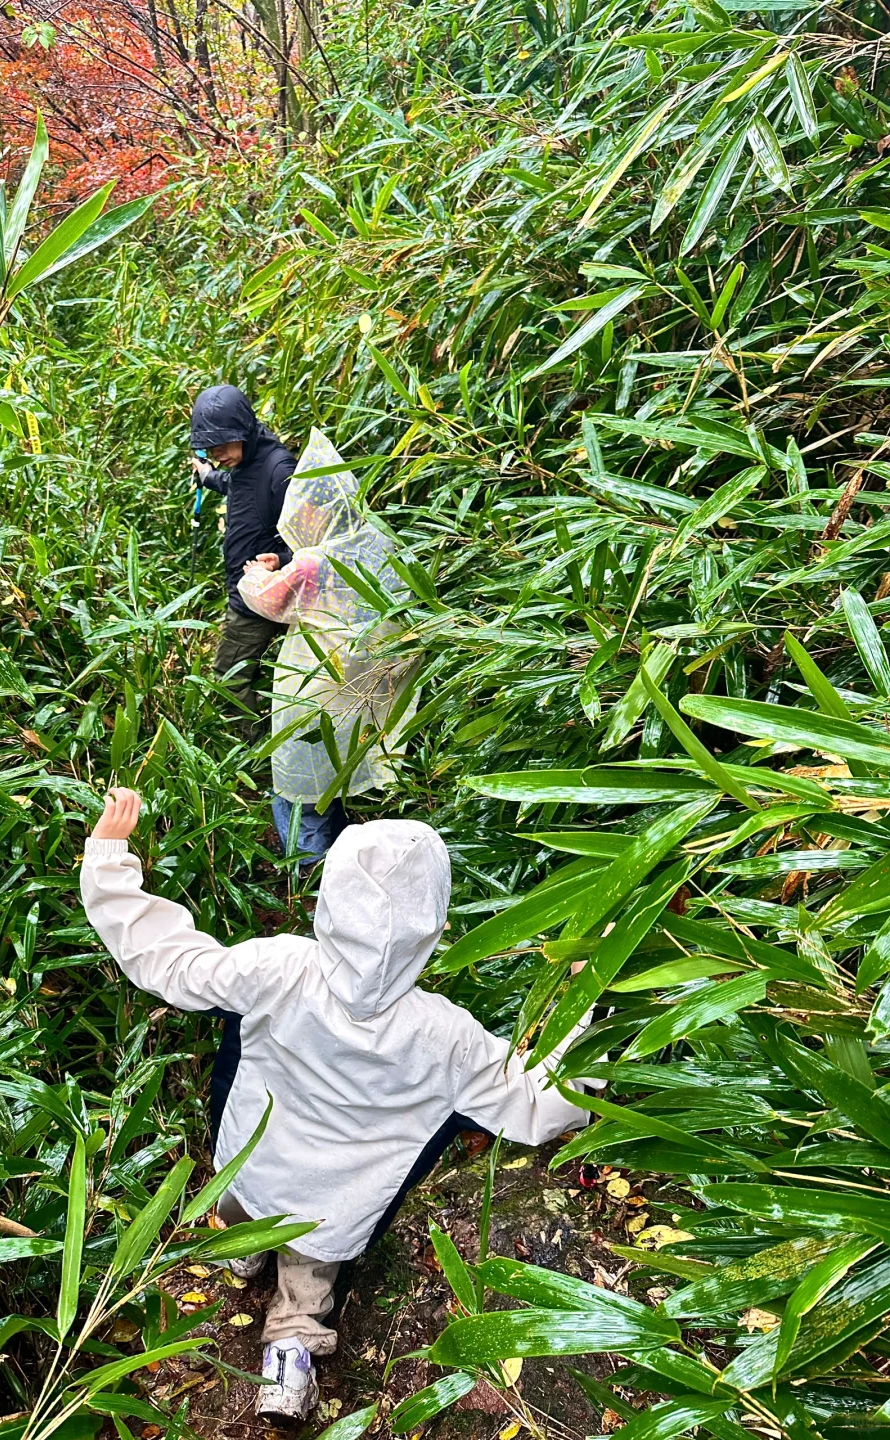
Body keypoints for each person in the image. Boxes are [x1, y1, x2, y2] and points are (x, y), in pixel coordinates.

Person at [82, 788, 598, 1423]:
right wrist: (584, 1009)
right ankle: (290, 1358)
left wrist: (109, 859)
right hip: (337, 1203)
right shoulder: (447, 1037)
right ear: (433, 927)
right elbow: (540, 1105)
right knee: (311, 1272)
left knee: (238, 1205)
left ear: (329, 903)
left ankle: (240, 1255)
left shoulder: (280, 969)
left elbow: (169, 962)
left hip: (255, 1157)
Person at [237, 429, 415, 863]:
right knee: (348, 768)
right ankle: (356, 865)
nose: (304, 517)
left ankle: (311, 878)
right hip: (372, 681)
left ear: (321, 509)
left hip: (321, 684)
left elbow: (270, 600)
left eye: (308, 508)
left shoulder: (314, 561)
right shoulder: (378, 540)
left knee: (304, 778)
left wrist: (256, 574)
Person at [189, 385, 297, 742]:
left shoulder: (279, 469)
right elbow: (238, 486)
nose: (218, 456)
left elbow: (315, 540)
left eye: (222, 446)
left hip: (263, 597)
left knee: (229, 677)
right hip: (252, 592)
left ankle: (259, 752)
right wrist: (208, 477)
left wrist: (281, 560)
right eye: (211, 449)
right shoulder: (247, 461)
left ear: (243, 431)